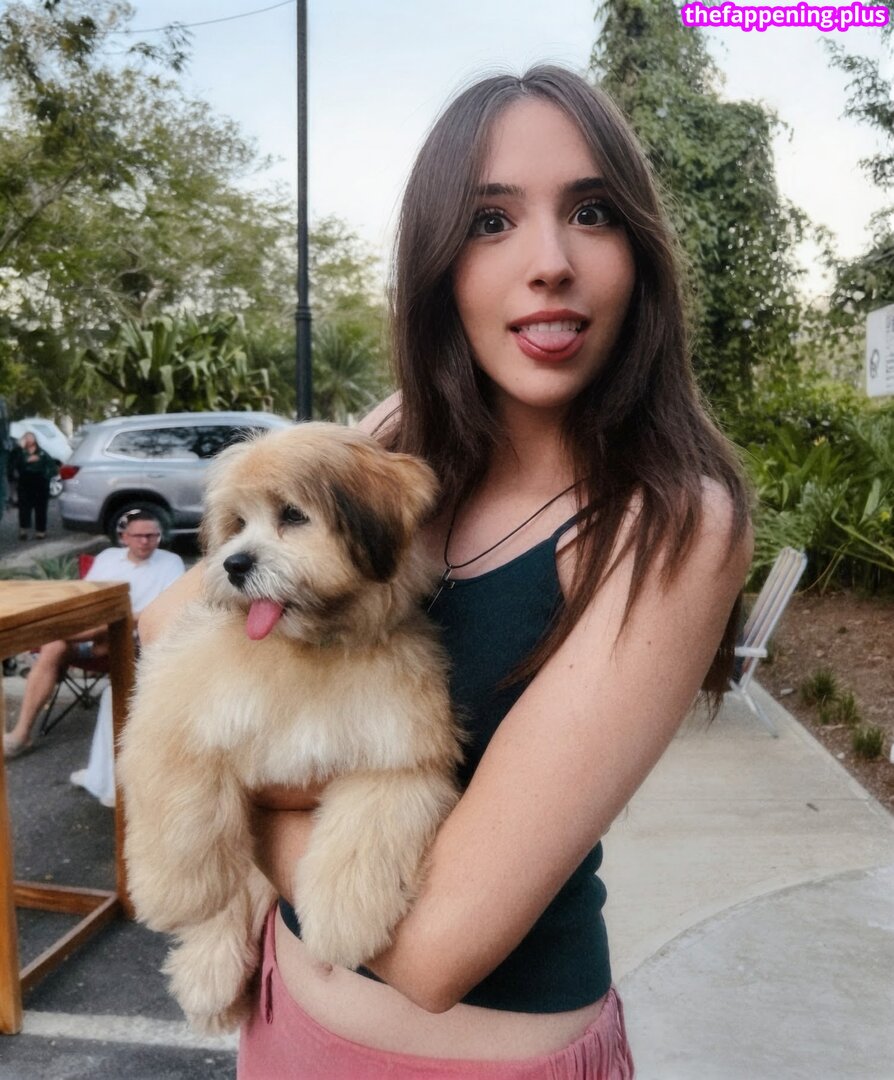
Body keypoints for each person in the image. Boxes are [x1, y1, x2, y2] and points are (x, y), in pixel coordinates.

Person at [141, 66, 753, 1079]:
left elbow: (432, 952)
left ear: (638, 252)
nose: (550, 263)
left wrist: (228, 799)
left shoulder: (670, 526)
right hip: (279, 1017)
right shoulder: (401, 442)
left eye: (591, 212)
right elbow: (172, 625)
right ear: (440, 267)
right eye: (491, 222)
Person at [3, 511, 185, 758]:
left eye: (151, 536)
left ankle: (41, 635)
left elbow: (165, 608)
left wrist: (113, 621)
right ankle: (21, 734)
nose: (145, 541)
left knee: (85, 633)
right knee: (54, 647)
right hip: (90, 634)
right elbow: (84, 597)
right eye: (138, 536)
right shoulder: (108, 558)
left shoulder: (170, 562)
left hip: (128, 638)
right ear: (124, 537)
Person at [11, 430, 57, 541]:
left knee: (41, 508)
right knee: (24, 508)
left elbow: (52, 467)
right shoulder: (19, 453)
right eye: (26, 437)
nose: (28, 439)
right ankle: (23, 530)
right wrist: (25, 458)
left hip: (40, 482)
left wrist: (45, 476)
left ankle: (40, 531)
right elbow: (12, 465)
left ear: (35, 439)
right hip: (25, 482)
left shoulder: (42, 453)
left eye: (31, 437)